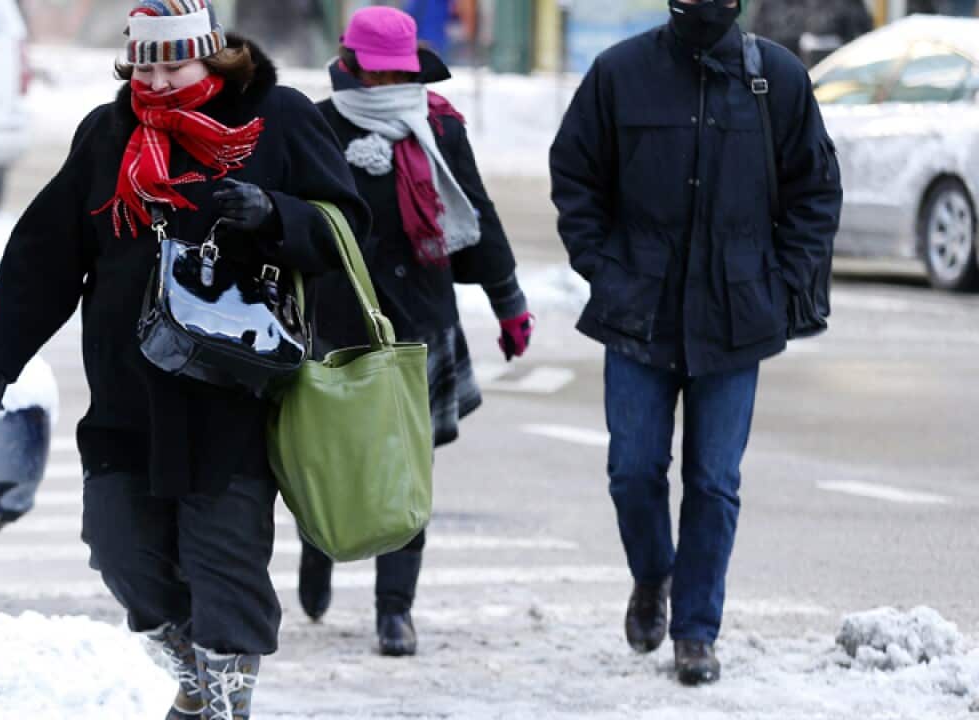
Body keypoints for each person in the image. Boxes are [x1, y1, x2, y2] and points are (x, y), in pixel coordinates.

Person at [0, 2, 369, 718]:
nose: (153, 81)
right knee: (118, 546)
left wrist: (276, 214)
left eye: (172, 65)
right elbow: (48, 251)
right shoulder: (108, 132)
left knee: (225, 562)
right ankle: (194, 678)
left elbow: (346, 227)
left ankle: (225, 704)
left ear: (212, 56)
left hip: (233, 395)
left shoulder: (277, 118)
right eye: (142, 66)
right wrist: (1, 351)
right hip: (126, 394)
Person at [550, 0, 841, 686]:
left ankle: (696, 631)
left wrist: (780, 283)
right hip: (638, 310)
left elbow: (815, 191)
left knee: (714, 481)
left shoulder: (777, 78)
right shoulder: (619, 72)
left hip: (736, 317)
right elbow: (575, 175)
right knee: (633, 470)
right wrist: (603, 268)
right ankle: (653, 574)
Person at [300, 6, 535, 658]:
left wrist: (509, 303)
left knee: (407, 469)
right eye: (376, 73)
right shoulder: (318, 125)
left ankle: (395, 609)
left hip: (420, 323)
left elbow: (476, 212)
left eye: (396, 74)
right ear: (350, 68)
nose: (386, 84)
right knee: (329, 457)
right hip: (337, 323)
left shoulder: (439, 126)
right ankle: (317, 546)